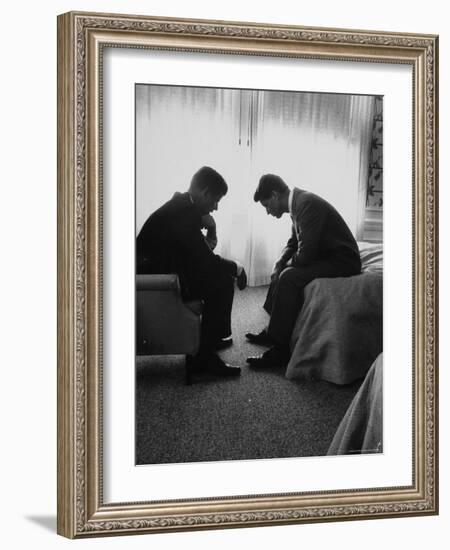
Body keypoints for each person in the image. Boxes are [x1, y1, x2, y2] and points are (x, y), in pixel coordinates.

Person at [137, 166, 247, 377]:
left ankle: (212, 339)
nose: (215, 208)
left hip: (163, 269)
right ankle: (202, 360)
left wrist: (211, 228)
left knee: (220, 277)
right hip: (157, 281)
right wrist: (237, 267)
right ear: (205, 193)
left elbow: (197, 252)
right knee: (221, 282)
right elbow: (204, 260)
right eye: (216, 201)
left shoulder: (183, 206)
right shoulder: (183, 214)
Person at [246, 174, 361, 369]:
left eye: (266, 205)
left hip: (343, 260)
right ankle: (273, 332)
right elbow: (294, 243)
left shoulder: (306, 204)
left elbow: (305, 255)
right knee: (281, 268)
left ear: (274, 195)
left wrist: (287, 265)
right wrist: (280, 261)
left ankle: (281, 350)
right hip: (326, 254)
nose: (267, 211)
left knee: (289, 277)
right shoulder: (297, 204)